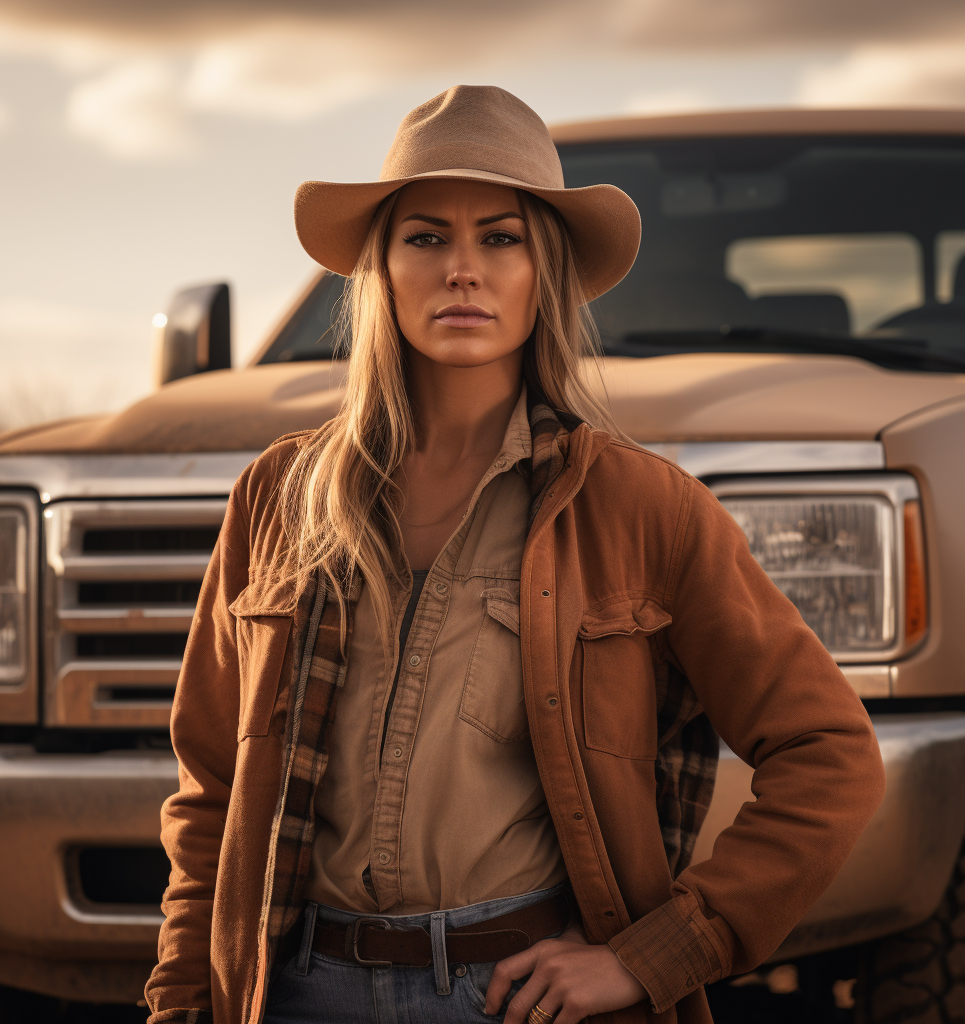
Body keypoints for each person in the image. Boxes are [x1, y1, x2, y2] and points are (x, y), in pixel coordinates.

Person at [145, 85, 885, 1024]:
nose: (463, 270)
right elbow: (212, 790)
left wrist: (653, 957)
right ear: (380, 269)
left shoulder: (640, 506)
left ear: (548, 273)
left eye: (502, 238)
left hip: (514, 998)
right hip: (292, 990)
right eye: (425, 238)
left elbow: (832, 752)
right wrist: (177, 1001)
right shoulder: (279, 496)